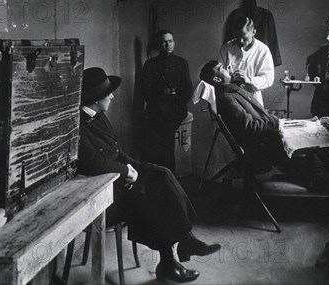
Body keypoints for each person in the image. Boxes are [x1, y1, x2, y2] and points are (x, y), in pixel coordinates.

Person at [78, 67, 219, 282]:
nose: (113, 97)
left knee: (161, 173)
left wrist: (136, 166)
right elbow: (92, 161)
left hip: (118, 178)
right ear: (96, 99)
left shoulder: (97, 116)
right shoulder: (78, 125)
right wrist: (126, 171)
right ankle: (172, 259)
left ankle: (184, 240)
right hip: (104, 191)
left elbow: (116, 150)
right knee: (155, 198)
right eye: (108, 94)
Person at [199, 60, 288, 170]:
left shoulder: (234, 91)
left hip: (270, 139)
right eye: (222, 68)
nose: (227, 68)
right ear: (217, 79)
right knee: (309, 151)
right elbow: (250, 127)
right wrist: (275, 120)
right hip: (265, 148)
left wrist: (271, 116)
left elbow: (256, 116)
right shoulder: (227, 98)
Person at [142, 30, 193, 173]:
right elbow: (145, 92)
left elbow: (188, 89)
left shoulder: (181, 63)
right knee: (152, 142)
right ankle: (157, 176)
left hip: (176, 109)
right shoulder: (150, 65)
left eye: (170, 41)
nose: (167, 44)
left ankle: (169, 175)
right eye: (164, 41)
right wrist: (161, 98)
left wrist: (176, 101)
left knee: (166, 140)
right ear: (159, 44)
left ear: (174, 43)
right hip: (156, 108)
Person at [219, 16, 274, 107]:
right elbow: (219, 74)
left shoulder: (263, 50)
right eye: (237, 37)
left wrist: (249, 79)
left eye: (244, 38)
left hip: (253, 100)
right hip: (230, 101)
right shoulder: (226, 48)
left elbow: (268, 79)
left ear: (254, 32)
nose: (240, 41)